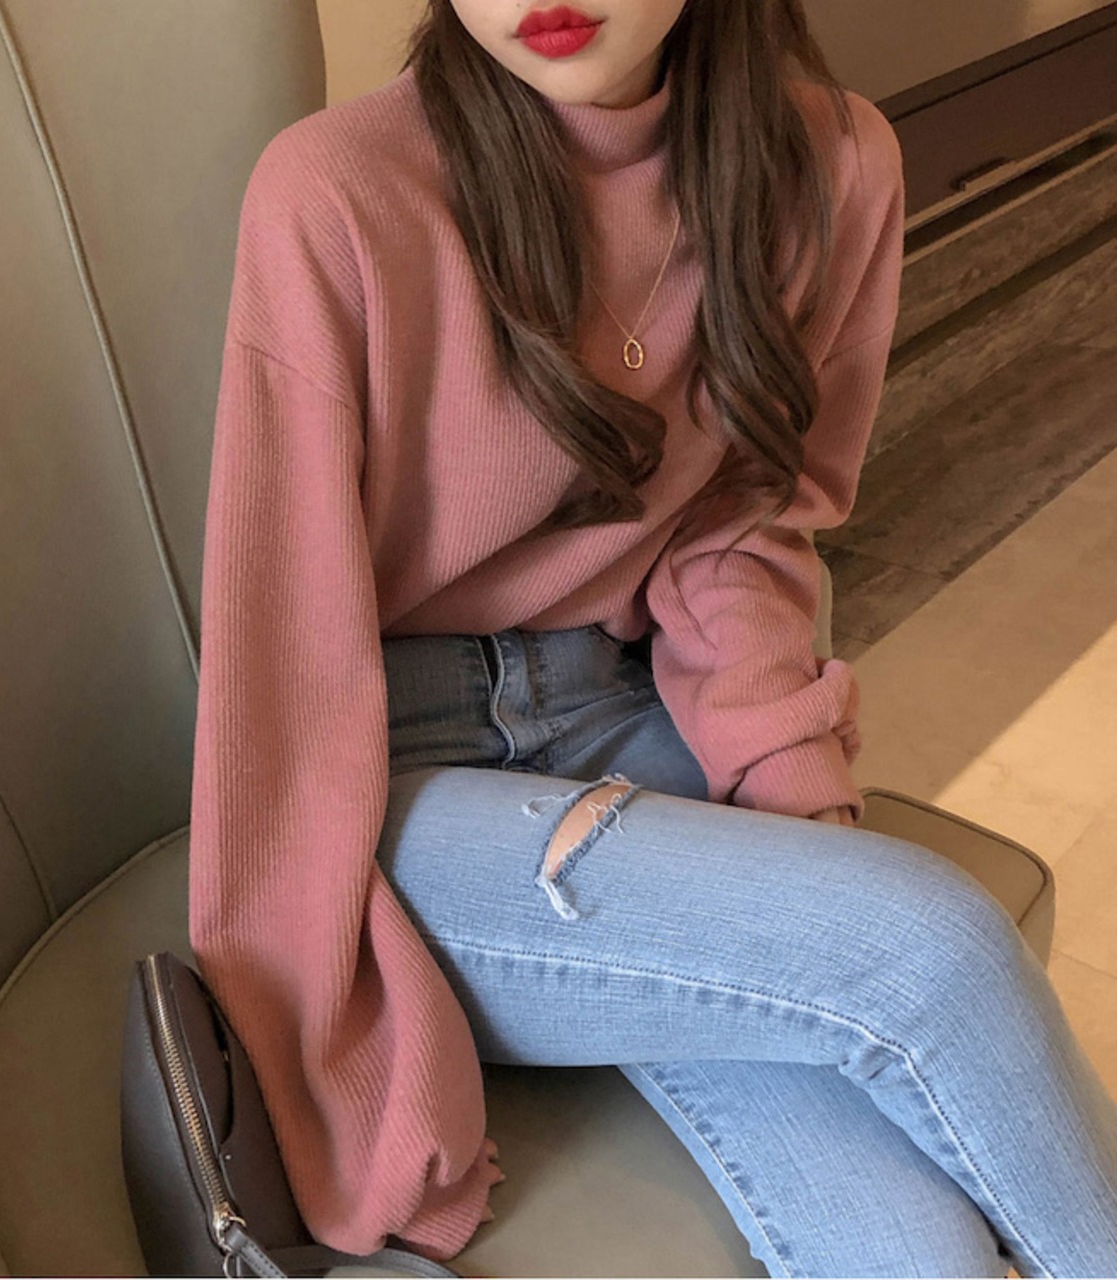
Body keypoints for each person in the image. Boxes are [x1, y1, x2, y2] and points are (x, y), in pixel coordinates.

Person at [187, 0, 1117, 1274]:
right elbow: (280, 648)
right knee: (935, 947)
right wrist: (313, 1029)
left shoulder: (828, 167)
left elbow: (742, 523)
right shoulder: (339, 191)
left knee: (916, 1249)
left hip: (629, 710)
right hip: (398, 785)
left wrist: (794, 800)